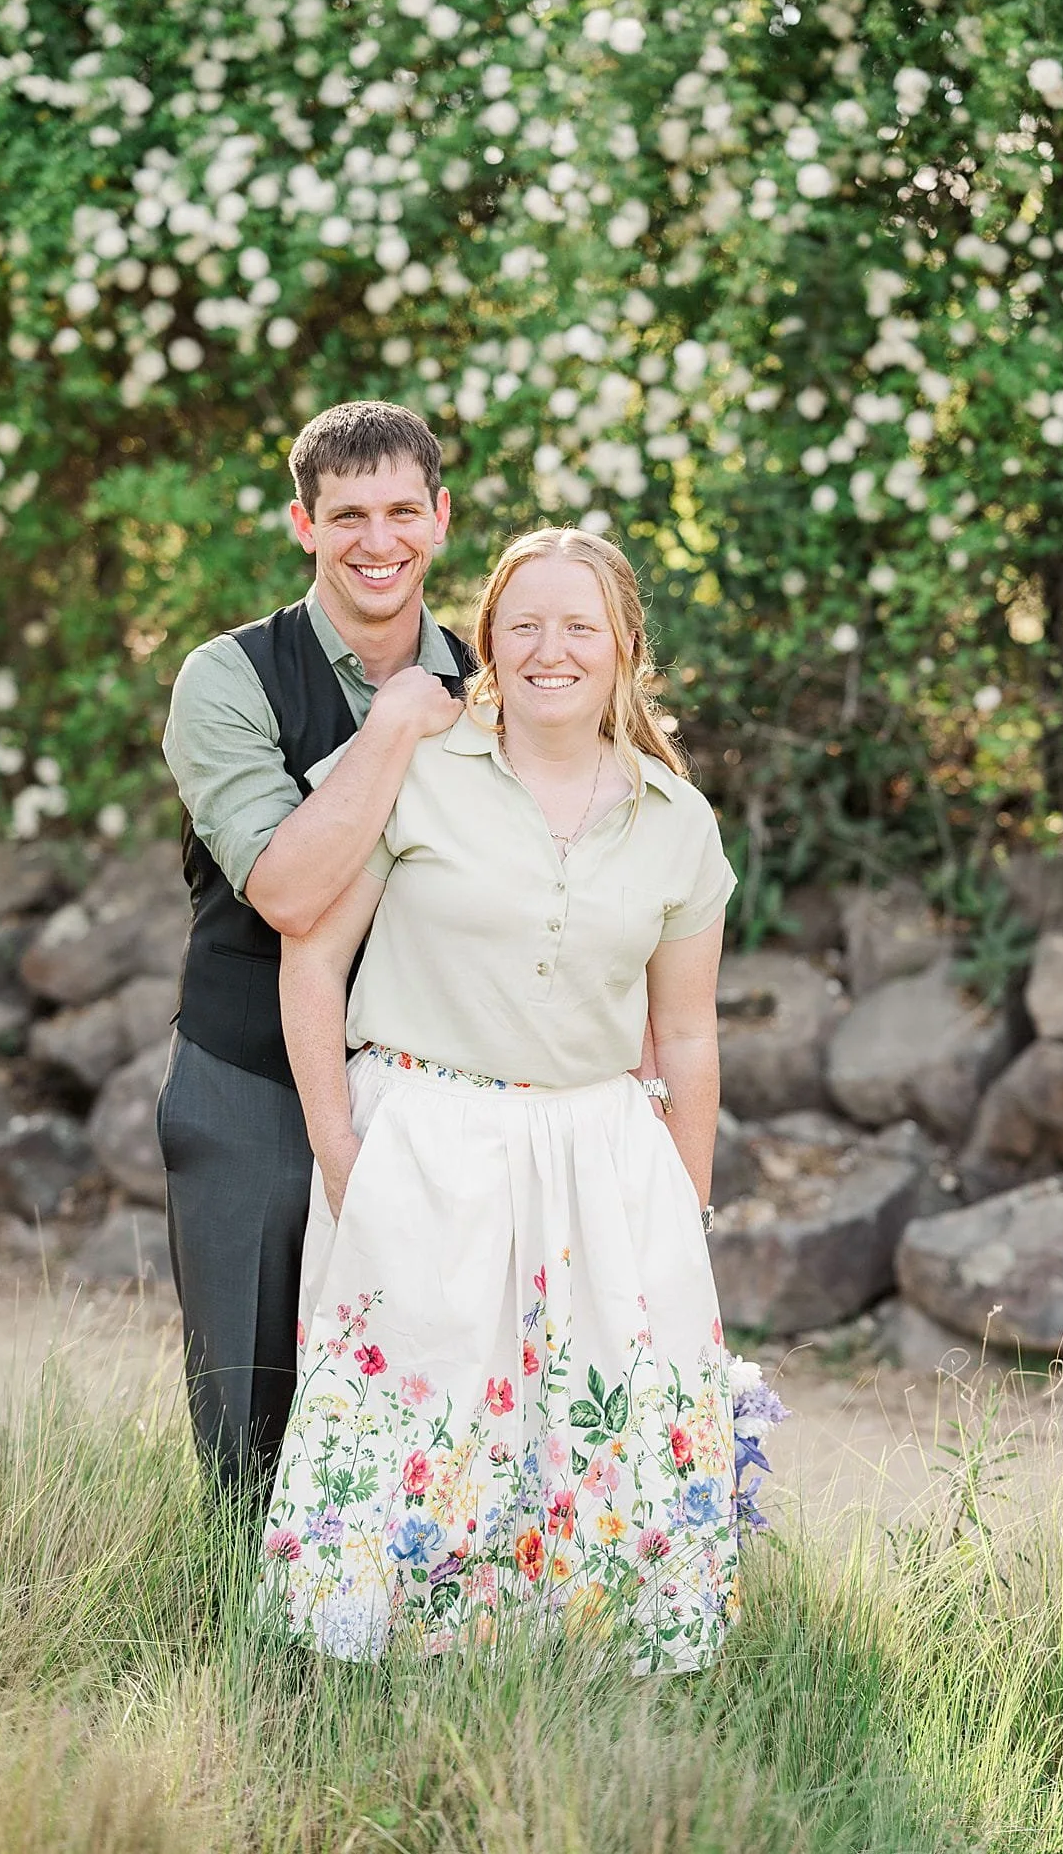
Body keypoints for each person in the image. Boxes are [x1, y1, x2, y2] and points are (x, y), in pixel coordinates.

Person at [261, 525, 748, 1672]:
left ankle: (583, 1672)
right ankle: (361, 1667)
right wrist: (343, 1154)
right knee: (417, 1422)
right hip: (424, 1134)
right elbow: (311, 962)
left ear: (626, 646)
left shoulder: (677, 822)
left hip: (599, 1148)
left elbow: (684, 1031)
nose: (551, 649)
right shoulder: (415, 770)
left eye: (581, 625)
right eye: (523, 624)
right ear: (488, 642)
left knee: (599, 1425)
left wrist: (686, 1206)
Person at [160, 400, 472, 1500]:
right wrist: (391, 727)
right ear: (304, 523)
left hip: (437, 1093)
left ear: (440, 518)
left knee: (430, 1387)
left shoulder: (495, 687)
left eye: (400, 510)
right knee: (252, 1414)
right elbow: (288, 891)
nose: (376, 540)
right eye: (347, 515)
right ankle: (244, 1652)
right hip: (247, 1080)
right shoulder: (227, 678)